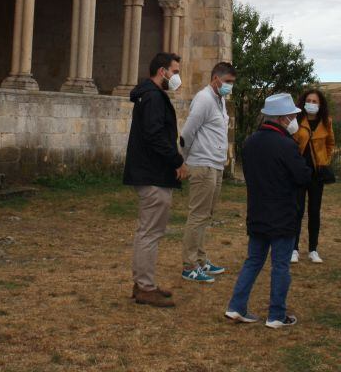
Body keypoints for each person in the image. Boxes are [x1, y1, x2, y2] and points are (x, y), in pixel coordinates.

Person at [224, 93, 311, 328]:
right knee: (280, 265)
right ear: (283, 118)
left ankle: (236, 306)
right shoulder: (286, 145)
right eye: (292, 115)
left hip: (258, 210)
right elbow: (302, 176)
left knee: (253, 261)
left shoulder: (251, 142)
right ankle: (276, 314)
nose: (294, 119)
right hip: (283, 213)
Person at [123, 52, 188, 307]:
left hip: (151, 172)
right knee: (149, 231)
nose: (176, 77)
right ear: (162, 71)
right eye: (174, 71)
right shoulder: (152, 97)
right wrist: (177, 161)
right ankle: (144, 287)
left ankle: (144, 283)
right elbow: (154, 136)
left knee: (150, 230)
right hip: (152, 173)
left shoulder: (150, 96)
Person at [179, 61, 237, 283]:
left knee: (207, 214)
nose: (230, 86)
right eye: (227, 82)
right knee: (198, 215)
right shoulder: (203, 99)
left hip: (215, 164)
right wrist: (182, 160)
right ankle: (189, 265)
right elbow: (187, 133)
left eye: (232, 83)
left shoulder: (219, 100)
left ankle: (201, 259)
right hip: (202, 164)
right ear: (215, 79)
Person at [291, 88, 336, 264]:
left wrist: (325, 159)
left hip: (318, 173)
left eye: (315, 101)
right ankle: (293, 248)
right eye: (308, 100)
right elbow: (291, 142)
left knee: (314, 211)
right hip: (300, 172)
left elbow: (330, 143)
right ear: (303, 102)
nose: (311, 104)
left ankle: (313, 249)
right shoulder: (297, 120)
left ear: (320, 104)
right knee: (297, 210)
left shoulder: (326, 122)